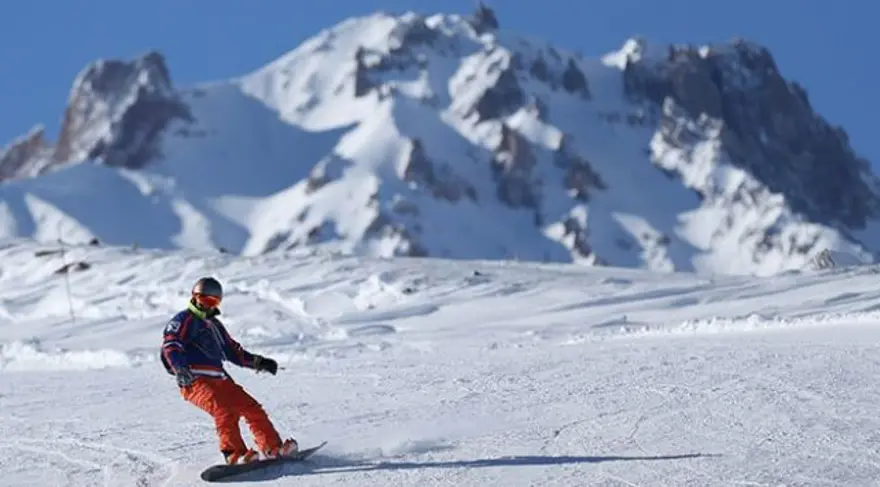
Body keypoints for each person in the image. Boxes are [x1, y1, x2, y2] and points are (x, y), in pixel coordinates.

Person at [160, 277, 298, 465]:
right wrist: (180, 369)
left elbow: (234, 352)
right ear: (195, 298)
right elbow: (171, 344)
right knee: (223, 409)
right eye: (205, 300)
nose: (209, 306)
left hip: (221, 380)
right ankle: (234, 454)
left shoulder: (215, 325)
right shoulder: (184, 320)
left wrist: (259, 362)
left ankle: (272, 447)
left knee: (251, 408)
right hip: (194, 380)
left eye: (213, 302)